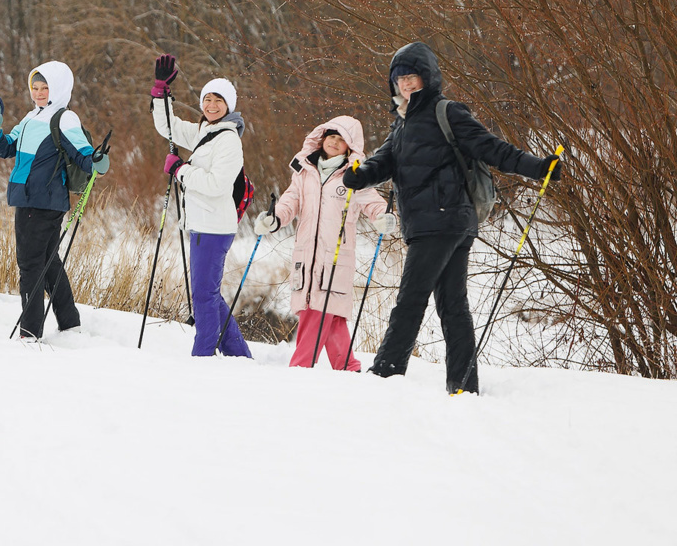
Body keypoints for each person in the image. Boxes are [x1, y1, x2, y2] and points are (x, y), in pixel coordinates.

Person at [343, 42, 561, 393]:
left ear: (427, 78)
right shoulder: (401, 124)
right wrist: (359, 175)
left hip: (441, 220)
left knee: (411, 298)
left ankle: (385, 374)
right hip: (440, 223)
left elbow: (492, 148)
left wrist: (538, 167)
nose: (407, 84)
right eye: (400, 79)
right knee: (452, 305)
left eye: (413, 77)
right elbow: (382, 162)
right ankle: (462, 385)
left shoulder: (446, 112)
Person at [255, 116, 396, 370]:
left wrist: (383, 217)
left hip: (335, 258)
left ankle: (300, 368)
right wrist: (274, 219)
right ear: (322, 139)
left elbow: (372, 202)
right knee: (330, 318)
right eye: (331, 136)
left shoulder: (354, 176)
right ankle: (348, 368)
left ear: (349, 148)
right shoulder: (305, 172)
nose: (334, 142)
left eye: (341, 140)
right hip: (306, 256)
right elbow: (290, 201)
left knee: (316, 314)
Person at [0, 62, 108, 339]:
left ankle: (30, 333)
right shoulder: (30, 118)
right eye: (35, 88)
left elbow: (83, 154)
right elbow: (7, 148)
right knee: (48, 262)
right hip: (30, 199)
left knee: (29, 265)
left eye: (45, 88)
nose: (38, 93)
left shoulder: (64, 118)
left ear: (59, 88)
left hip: (41, 202)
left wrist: (97, 162)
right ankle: (69, 321)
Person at [151, 56, 252, 357]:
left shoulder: (228, 140)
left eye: (218, 100)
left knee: (204, 297)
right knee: (209, 295)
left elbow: (216, 184)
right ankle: (238, 353)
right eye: (207, 99)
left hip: (214, 227)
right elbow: (167, 127)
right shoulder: (204, 132)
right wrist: (160, 92)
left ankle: (203, 355)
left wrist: (180, 170)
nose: (210, 105)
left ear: (229, 105)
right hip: (202, 225)